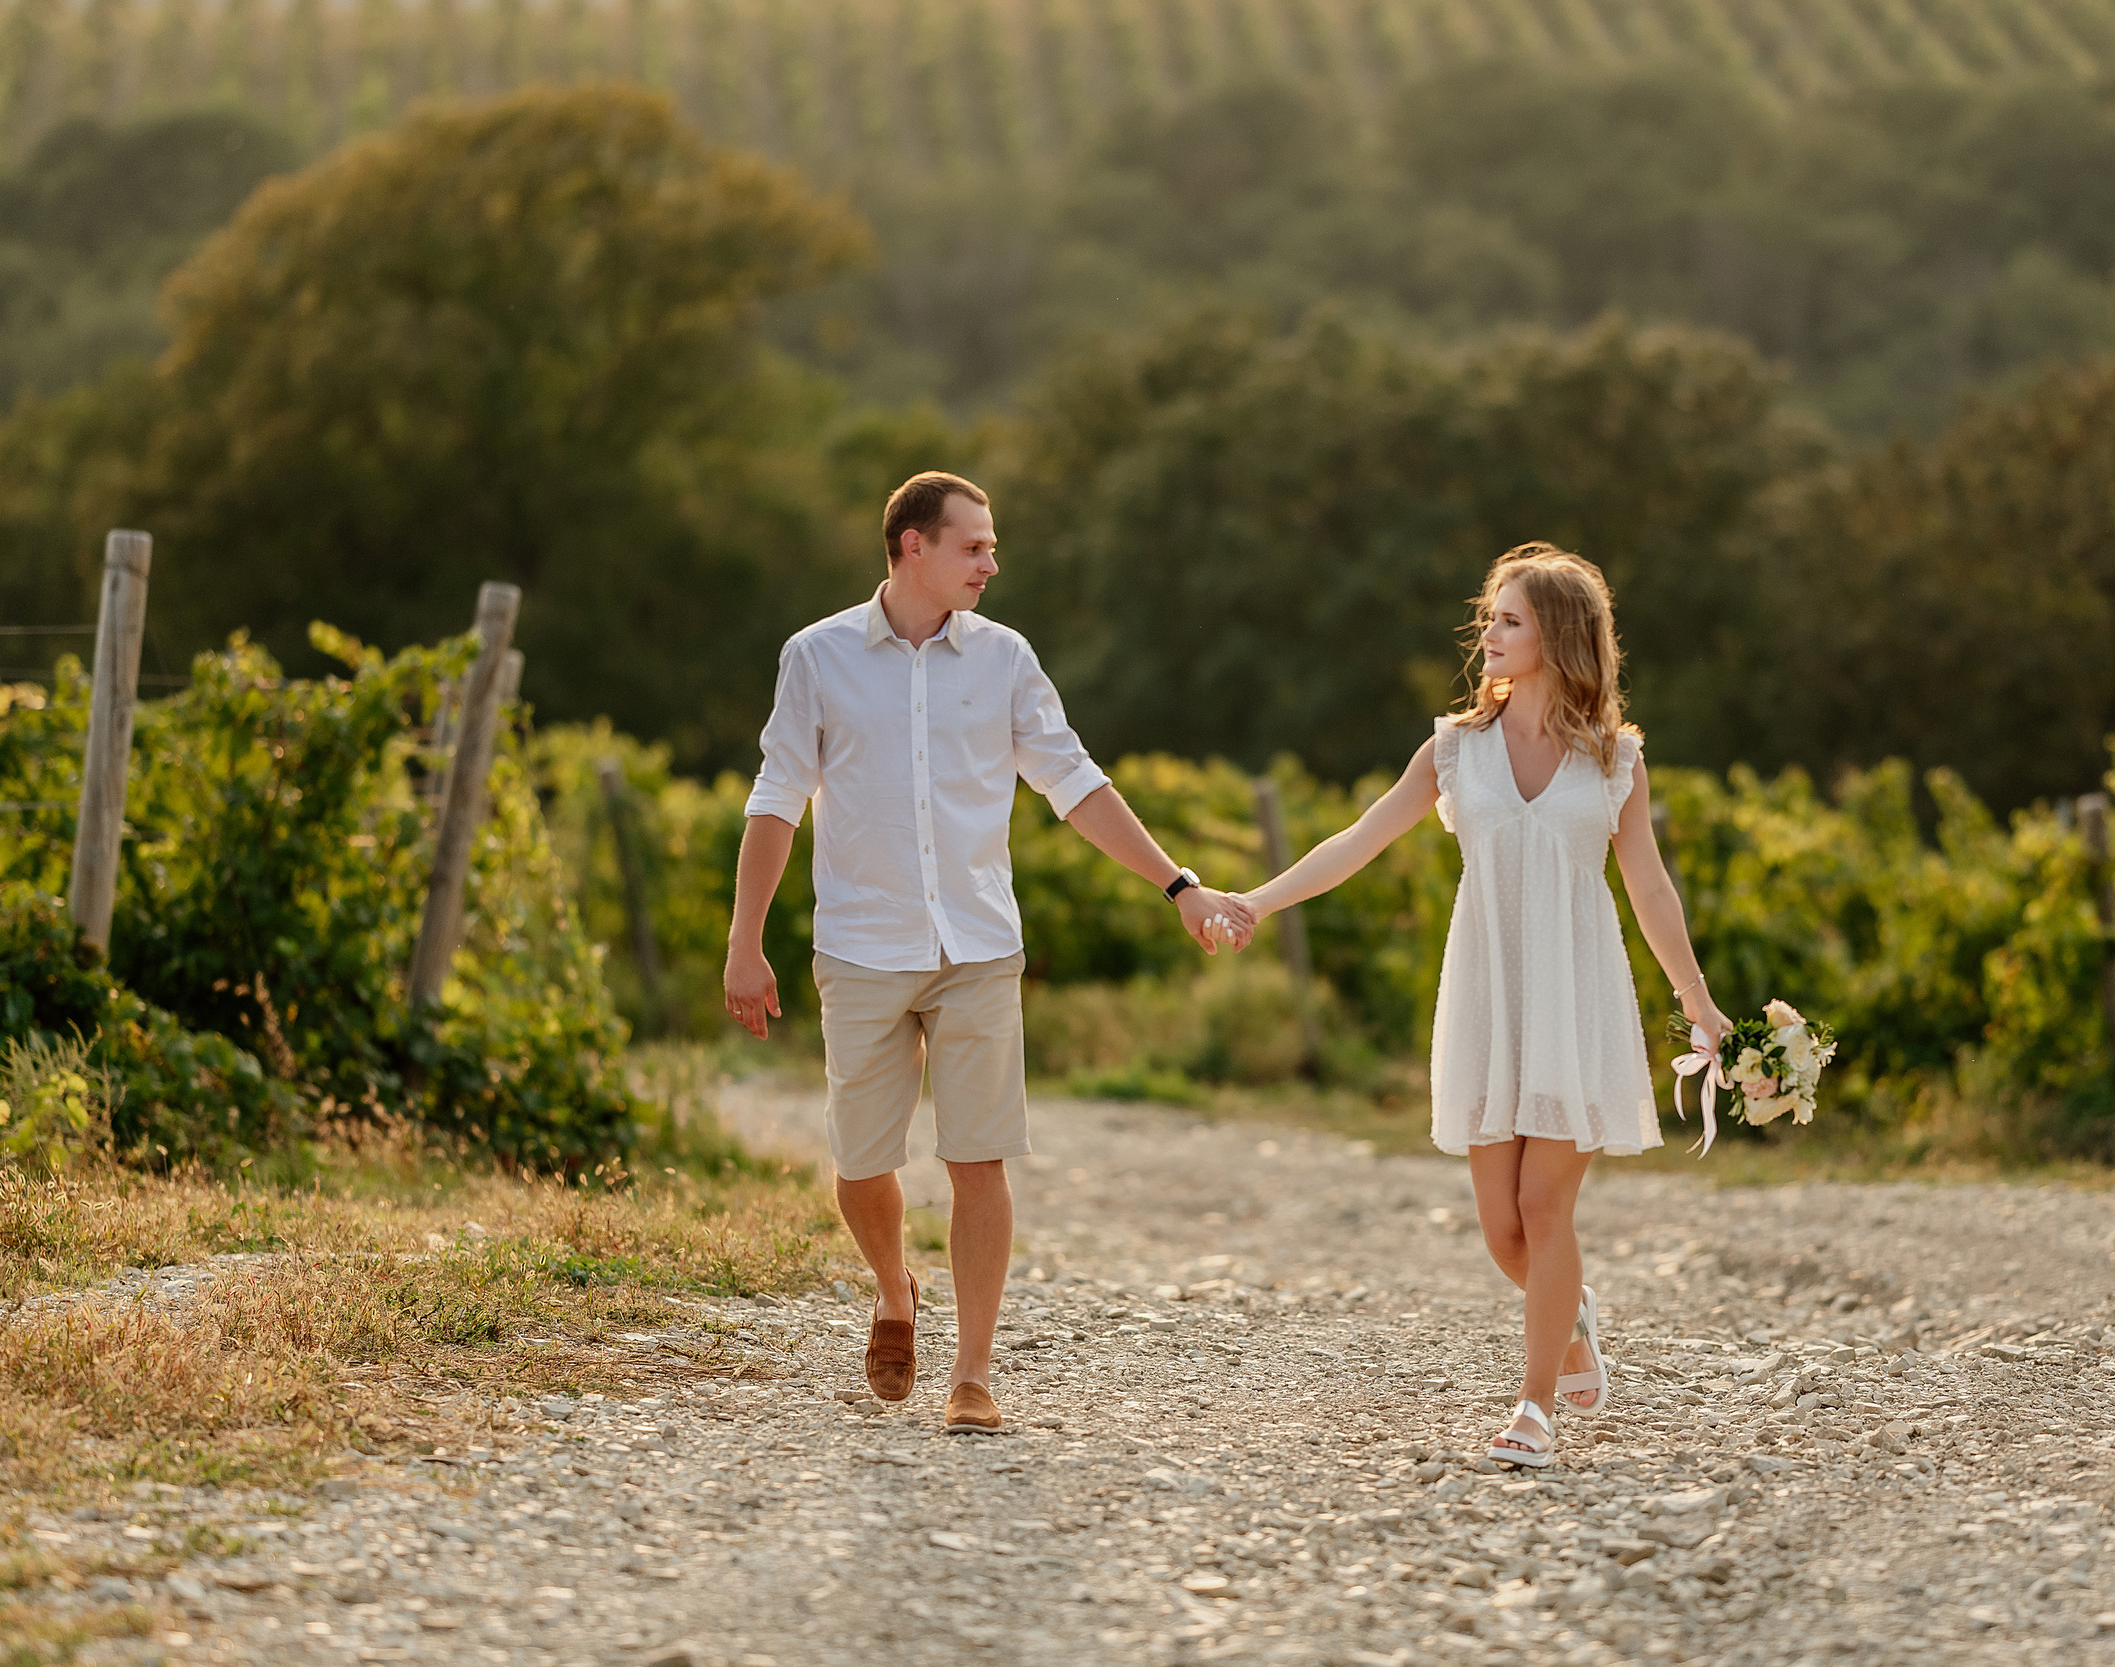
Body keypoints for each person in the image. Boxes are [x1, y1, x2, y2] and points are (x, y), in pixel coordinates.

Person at [722, 471, 1260, 1434]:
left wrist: (1180, 885)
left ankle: (972, 1374)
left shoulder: (1006, 659)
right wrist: (744, 942)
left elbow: (1073, 780)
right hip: (862, 945)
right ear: (912, 546)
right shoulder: (818, 656)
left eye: (992, 545)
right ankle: (894, 1287)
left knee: (981, 1158)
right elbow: (775, 798)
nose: (991, 563)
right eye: (974, 545)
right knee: (860, 1164)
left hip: (979, 943)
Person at [1236, 542, 1732, 1468]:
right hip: (1490, 995)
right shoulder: (1454, 749)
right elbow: (1360, 838)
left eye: (1509, 619)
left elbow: (1651, 890)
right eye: (1491, 617)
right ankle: (1570, 1318)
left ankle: (1534, 1407)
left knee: (1547, 1211)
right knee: (1504, 1230)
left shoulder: (1614, 758)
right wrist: (1257, 903)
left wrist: (1696, 1000)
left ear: (1560, 634)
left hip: (1576, 997)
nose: (1488, 633)